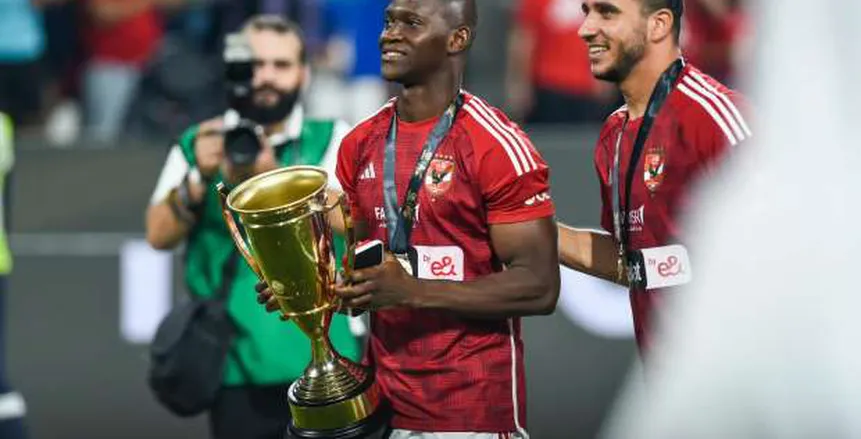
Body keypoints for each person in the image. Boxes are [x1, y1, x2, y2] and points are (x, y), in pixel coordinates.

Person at [258, 0, 560, 437]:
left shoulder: (494, 144)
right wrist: (309, 290)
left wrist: (413, 291)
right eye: (388, 22)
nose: (390, 34)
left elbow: (540, 286)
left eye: (411, 23)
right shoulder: (360, 142)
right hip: (383, 408)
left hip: (470, 413)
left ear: (458, 38)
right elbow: (369, 273)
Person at [145, 15, 361, 439]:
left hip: (331, 357)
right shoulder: (202, 141)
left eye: (281, 65)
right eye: (255, 65)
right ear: (235, 71)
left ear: (304, 73)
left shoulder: (335, 137)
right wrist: (198, 179)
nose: (267, 77)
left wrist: (273, 174)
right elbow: (158, 234)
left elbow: (356, 222)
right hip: (236, 366)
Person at [555, 0, 752, 352]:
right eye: (586, 12)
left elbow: (781, 246)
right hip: (667, 373)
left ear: (658, 25)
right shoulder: (614, 134)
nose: (585, 29)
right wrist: (530, 231)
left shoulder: (716, 116)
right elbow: (633, 262)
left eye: (607, 13)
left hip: (735, 369)